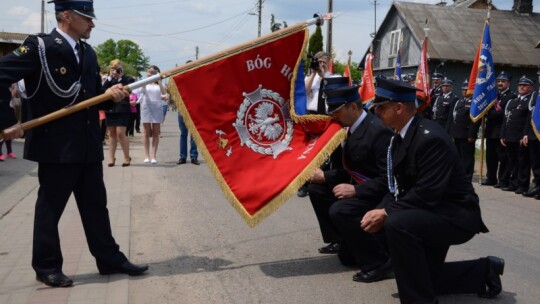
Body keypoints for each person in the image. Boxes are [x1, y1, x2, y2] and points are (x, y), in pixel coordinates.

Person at [0, 0, 148, 287]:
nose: (92, 23)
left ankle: (109, 259)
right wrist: (6, 120)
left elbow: (88, 94)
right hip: (56, 146)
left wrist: (110, 92)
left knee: (96, 205)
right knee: (50, 208)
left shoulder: (87, 52)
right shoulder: (39, 48)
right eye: (86, 17)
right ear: (66, 16)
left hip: (88, 143)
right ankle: (46, 266)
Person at [362, 77, 504, 303]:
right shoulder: (401, 136)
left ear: (398, 108)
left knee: (396, 223)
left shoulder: (429, 138)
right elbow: (398, 187)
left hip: (454, 215)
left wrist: (387, 212)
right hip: (431, 210)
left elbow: (427, 191)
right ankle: (484, 271)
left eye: (380, 107)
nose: (376, 112)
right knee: (422, 277)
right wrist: (379, 209)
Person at [307, 82, 393, 282]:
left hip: (375, 194)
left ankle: (379, 262)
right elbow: (345, 169)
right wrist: (325, 176)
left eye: (336, 111)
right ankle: (341, 238)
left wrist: (356, 190)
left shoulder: (378, 131)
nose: (332, 116)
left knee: (340, 210)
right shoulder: (345, 129)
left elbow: (388, 179)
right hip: (354, 186)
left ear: (352, 107)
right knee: (317, 190)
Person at [500, 76, 534, 194]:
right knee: (512, 160)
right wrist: (503, 135)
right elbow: (506, 119)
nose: (522, 87)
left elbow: (528, 121)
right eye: (520, 85)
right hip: (509, 136)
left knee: (523, 162)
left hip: (520, 137)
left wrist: (524, 134)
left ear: (530, 87)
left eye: (524, 85)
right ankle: (513, 183)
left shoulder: (530, 100)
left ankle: (522, 185)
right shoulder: (513, 101)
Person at [483, 71, 516, 187]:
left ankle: (503, 180)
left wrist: (490, 113)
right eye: (498, 81)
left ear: (508, 83)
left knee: (502, 157)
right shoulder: (493, 95)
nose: (500, 83)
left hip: (501, 131)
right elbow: (486, 110)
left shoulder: (512, 96)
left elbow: (503, 114)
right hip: (490, 130)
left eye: (503, 81)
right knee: (490, 157)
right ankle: (491, 178)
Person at [102, 59, 134, 167]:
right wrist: (110, 78)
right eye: (112, 69)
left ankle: (126, 157)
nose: (115, 71)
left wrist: (120, 78)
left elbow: (129, 91)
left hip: (122, 108)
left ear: (121, 68)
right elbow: (102, 90)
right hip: (110, 109)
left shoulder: (127, 79)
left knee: (120, 133)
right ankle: (111, 158)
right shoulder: (109, 80)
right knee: (111, 134)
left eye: (117, 69)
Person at [446, 80, 480, 182]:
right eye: (463, 90)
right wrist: (449, 132)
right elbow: (451, 118)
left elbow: (475, 120)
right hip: (456, 133)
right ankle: (459, 175)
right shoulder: (458, 101)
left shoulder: (474, 102)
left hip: (467, 134)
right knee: (458, 155)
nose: (465, 92)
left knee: (467, 157)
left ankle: (467, 176)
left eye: (467, 90)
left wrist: (472, 134)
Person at [138, 65, 168, 164]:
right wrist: (147, 79)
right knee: (146, 133)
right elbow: (140, 92)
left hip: (157, 107)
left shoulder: (160, 84)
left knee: (155, 133)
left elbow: (164, 94)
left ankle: (154, 156)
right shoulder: (145, 83)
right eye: (149, 71)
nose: (151, 73)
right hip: (146, 106)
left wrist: (158, 79)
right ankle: (146, 156)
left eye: (153, 72)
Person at [521, 76, 539, 198]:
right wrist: (526, 133)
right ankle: (537, 186)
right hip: (534, 134)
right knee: (535, 163)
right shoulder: (535, 95)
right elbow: (530, 116)